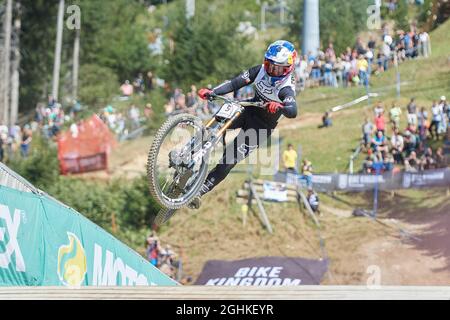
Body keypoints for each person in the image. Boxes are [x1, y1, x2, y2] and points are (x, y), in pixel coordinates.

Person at [188, 40, 299, 210]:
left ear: (288, 68)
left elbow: (293, 110)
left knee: (229, 160)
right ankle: (188, 152)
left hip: (261, 127)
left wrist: (281, 106)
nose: (274, 71)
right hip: (248, 108)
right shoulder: (259, 70)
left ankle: (199, 191)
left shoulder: (286, 87)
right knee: (217, 119)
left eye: (279, 68)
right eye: (271, 66)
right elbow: (235, 83)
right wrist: (213, 92)